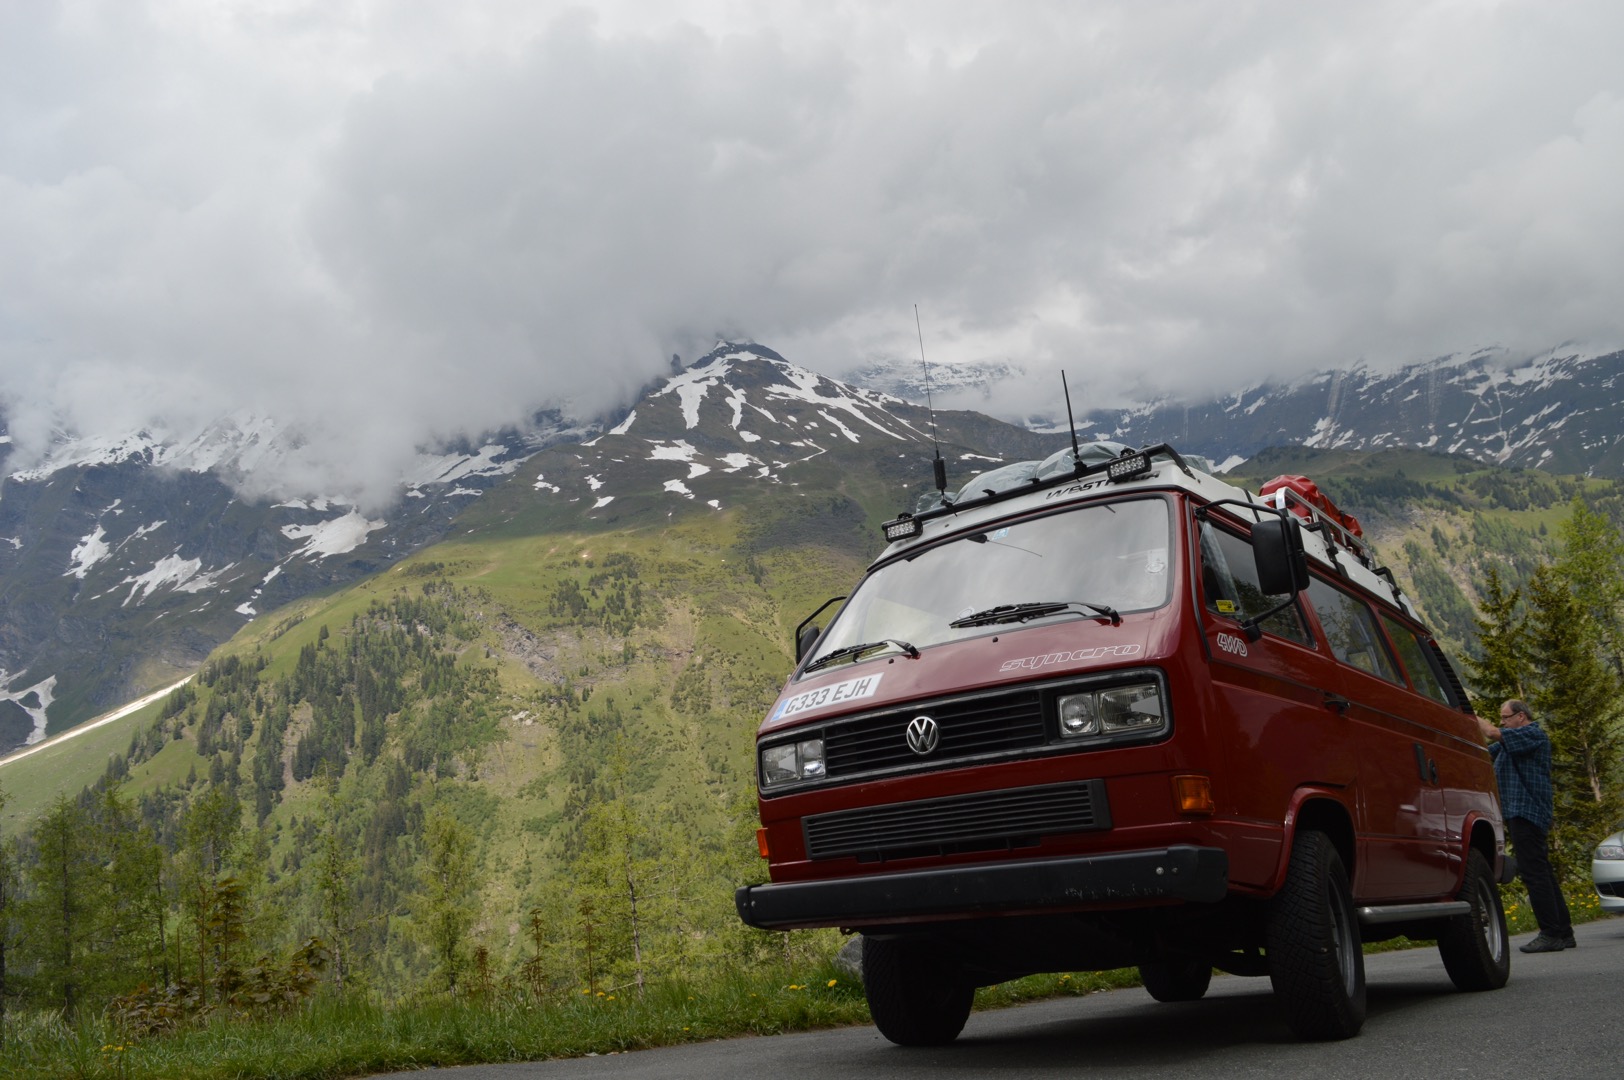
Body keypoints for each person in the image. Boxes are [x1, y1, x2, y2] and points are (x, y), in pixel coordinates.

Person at [1477, 699, 1574, 953]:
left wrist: (1468, 717)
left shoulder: (1532, 734)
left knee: (1534, 873)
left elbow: (1493, 733)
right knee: (1542, 871)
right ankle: (1563, 932)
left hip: (1527, 812)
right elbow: (1484, 751)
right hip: (1520, 813)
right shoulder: (1510, 743)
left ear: (1521, 716)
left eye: (1506, 717)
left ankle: (1550, 933)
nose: (1502, 722)